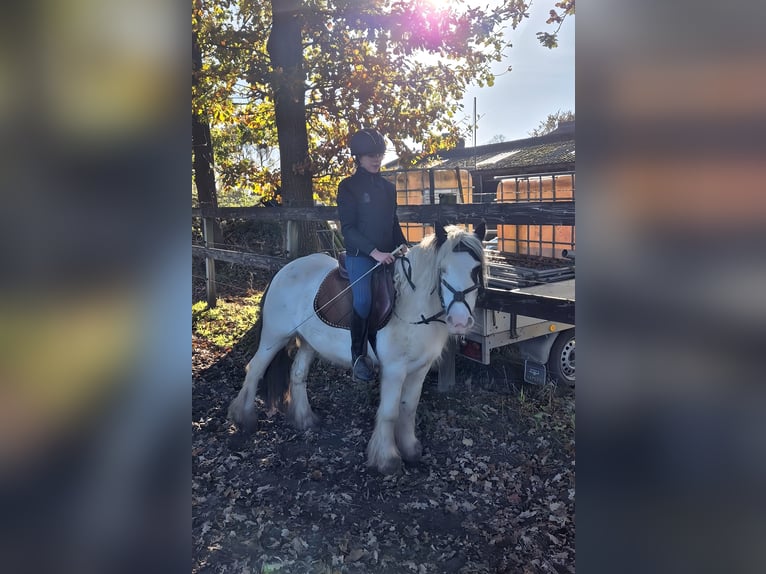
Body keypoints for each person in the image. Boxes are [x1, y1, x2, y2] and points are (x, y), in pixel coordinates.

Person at [337, 128, 408, 382]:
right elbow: (348, 229)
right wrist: (374, 252)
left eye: (378, 154)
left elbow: (393, 221)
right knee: (364, 302)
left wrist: (403, 245)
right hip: (361, 255)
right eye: (370, 155)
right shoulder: (347, 187)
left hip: (390, 254)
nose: (376, 159)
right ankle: (358, 356)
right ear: (358, 157)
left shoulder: (389, 188)